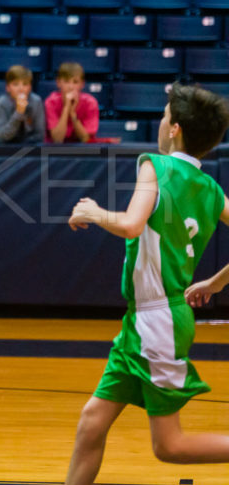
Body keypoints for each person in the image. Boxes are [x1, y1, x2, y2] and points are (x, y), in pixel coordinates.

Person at [64, 82, 229, 484]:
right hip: (144, 322)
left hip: (158, 324)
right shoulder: (212, 189)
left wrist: (95, 211)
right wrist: (217, 282)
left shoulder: (156, 165)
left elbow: (131, 224)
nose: (160, 121)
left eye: (164, 115)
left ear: (175, 130)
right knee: (92, 421)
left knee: (168, 446)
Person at [0, 64, 45, 143]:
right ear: (8, 87)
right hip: (7, 148)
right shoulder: (2, 102)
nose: (21, 89)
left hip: (31, 148)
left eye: (25, 84)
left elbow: (40, 135)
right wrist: (18, 112)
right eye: (15, 84)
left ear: (30, 87)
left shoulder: (36, 101)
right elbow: (1, 137)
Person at [46, 61, 99, 143]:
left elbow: (85, 139)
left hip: (83, 151)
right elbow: (57, 139)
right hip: (55, 151)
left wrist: (73, 114)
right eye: (66, 81)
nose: (71, 87)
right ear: (58, 83)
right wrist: (66, 108)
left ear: (82, 84)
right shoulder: (51, 102)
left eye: (75, 82)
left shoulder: (90, 103)